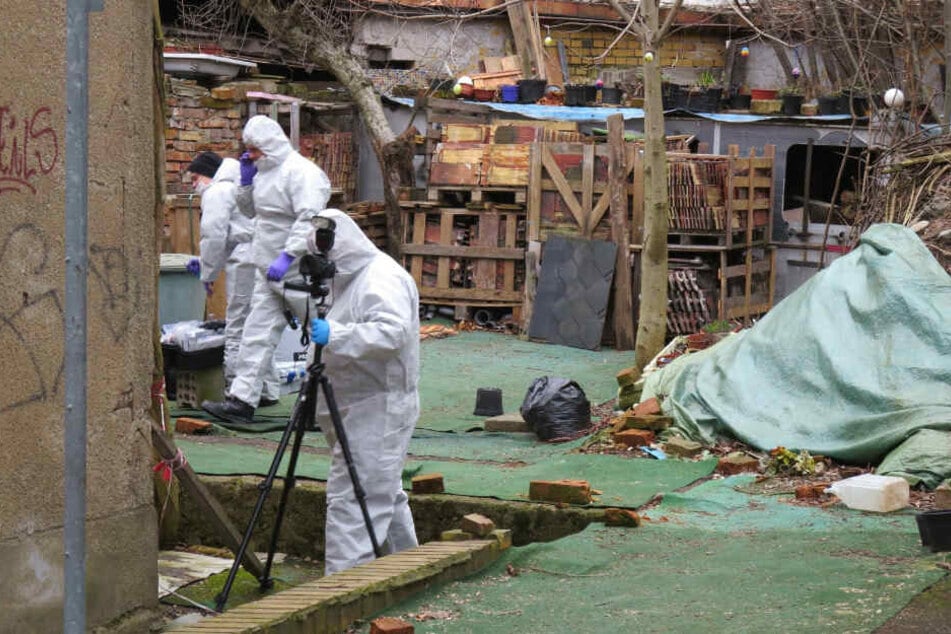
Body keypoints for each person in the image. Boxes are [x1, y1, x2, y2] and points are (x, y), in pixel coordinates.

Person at [306, 208, 420, 574]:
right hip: (353, 403)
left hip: (379, 405)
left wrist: (337, 335)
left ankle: (340, 593)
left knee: (353, 500)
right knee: (382, 491)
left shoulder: (379, 278)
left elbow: (392, 332)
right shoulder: (347, 276)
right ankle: (409, 567)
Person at [202, 115, 331, 425]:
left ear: (270, 146)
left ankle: (327, 402)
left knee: (324, 334)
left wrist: (288, 255)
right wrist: (245, 183)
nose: (251, 157)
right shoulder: (262, 173)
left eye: (255, 151)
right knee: (255, 334)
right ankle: (242, 400)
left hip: (298, 269)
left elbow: (309, 218)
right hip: (267, 268)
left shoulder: (302, 174)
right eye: (249, 151)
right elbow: (249, 212)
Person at [185, 151, 282, 407]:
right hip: (259, 253)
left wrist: (208, 272)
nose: (194, 185)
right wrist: (209, 264)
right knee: (257, 321)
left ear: (207, 173)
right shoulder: (237, 186)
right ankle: (266, 389)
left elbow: (214, 235)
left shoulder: (217, 192)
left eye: (195, 178)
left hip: (246, 260)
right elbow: (231, 235)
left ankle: (236, 393)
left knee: (238, 324)